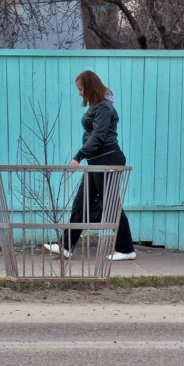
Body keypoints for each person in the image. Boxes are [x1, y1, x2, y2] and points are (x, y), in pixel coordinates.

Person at [43, 70, 137, 262]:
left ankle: (126, 249)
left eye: (81, 89)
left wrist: (79, 156)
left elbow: (98, 136)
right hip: (97, 161)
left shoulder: (103, 108)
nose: (79, 93)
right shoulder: (98, 106)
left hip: (108, 161)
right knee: (81, 202)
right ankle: (66, 246)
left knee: (111, 205)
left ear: (89, 87)